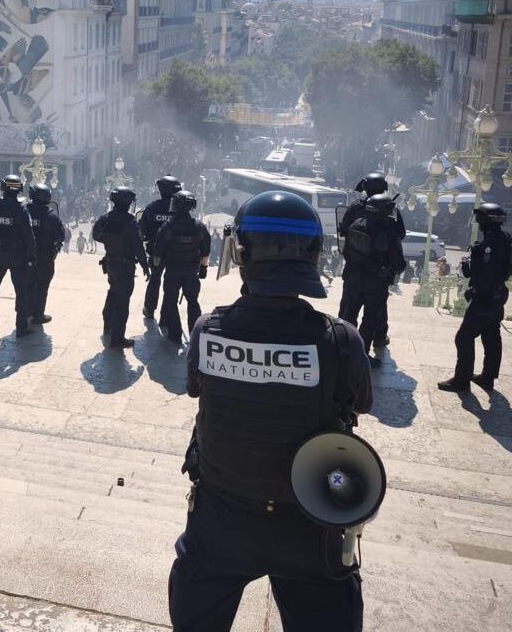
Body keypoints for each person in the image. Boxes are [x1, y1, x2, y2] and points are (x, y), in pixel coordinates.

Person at [169, 190, 373, 632]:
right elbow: (359, 404)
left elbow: (195, 389)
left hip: (220, 520)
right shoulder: (342, 340)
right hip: (310, 523)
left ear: (242, 252)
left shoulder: (209, 330)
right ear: (314, 254)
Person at [438, 204, 512, 392]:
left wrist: (475, 288)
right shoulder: (506, 239)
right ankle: (488, 377)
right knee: (491, 336)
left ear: (485, 221)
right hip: (499, 294)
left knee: (464, 337)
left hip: (486, 297)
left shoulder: (490, 244)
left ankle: (461, 380)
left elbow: (485, 273)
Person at [338, 193, 404, 365]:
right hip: (376, 284)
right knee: (370, 320)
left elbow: (346, 251)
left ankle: (345, 351)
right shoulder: (388, 230)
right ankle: (361, 354)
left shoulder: (356, 223)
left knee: (349, 315)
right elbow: (398, 262)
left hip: (353, 279)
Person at [93, 186, 149, 348]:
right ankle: (117, 339)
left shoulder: (105, 218)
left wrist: (110, 243)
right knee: (122, 302)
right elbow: (138, 245)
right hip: (125, 266)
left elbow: (96, 235)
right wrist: (145, 265)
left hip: (110, 262)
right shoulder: (130, 221)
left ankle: (107, 326)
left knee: (112, 292)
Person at [154, 190, 211, 344]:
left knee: (171, 301)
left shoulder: (168, 226)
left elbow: (158, 251)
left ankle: (175, 334)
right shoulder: (200, 227)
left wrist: (156, 267)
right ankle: (196, 334)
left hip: (172, 270)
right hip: (191, 271)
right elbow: (206, 250)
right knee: (193, 301)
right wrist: (203, 267)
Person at [0, 174, 36, 337]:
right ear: (19, 189)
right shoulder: (21, 209)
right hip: (17, 257)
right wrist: (32, 255)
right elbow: (29, 235)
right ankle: (21, 328)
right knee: (21, 294)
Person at [26, 182, 66, 333]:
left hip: (27, 256)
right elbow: (61, 236)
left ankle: (27, 312)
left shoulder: (25, 211)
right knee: (42, 287)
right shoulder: (51, 216)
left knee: (27, 286)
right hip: (45, 258)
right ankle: (38, 315)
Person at [140, 175, 181, 319]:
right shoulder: (180, 209)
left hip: (156, 252)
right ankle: (166, 314)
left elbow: (142, 230)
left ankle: (149, 309)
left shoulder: (152, 208)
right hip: (176, 253)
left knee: (155, 279)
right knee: (172, 283)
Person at [338, 172, 406, 247]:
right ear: (384, 188)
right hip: (385, 256)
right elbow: (401, 234)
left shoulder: (356, 207)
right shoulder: (392, 209)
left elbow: (344, 229)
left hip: (360, 255)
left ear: (365, 189)